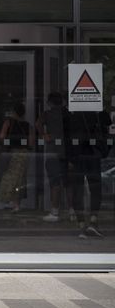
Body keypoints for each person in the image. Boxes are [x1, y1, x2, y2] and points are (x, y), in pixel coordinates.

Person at [67, 110, 111, 238]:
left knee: (78, 189)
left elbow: (68, 136)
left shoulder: (74, 115)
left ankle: (81, 225)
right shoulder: (97, 113)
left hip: (78, 155)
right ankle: (92, 221)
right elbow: (107, 125)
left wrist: (69, 157)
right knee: (95, 188)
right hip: (93, 153)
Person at [35, 92, 73, 222]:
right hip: (67, 152)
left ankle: (55, 212)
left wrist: (44, 135)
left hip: (53, 152)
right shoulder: (68, 114)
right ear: (62, 101)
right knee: (68, 183)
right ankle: (72, 211)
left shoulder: (47, 114)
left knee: (55, 183)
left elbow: (38, 124)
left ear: (49, 102)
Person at [0, 102, 34, 212]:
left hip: (11, 153)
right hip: (24, 154)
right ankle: (15, 203)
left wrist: (10, 141)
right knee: (20, 179)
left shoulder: (8, 122)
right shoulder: (28, 125)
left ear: (14, 112)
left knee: (10, 177)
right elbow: (31, 143)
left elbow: (2, 136)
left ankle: (11, 202)